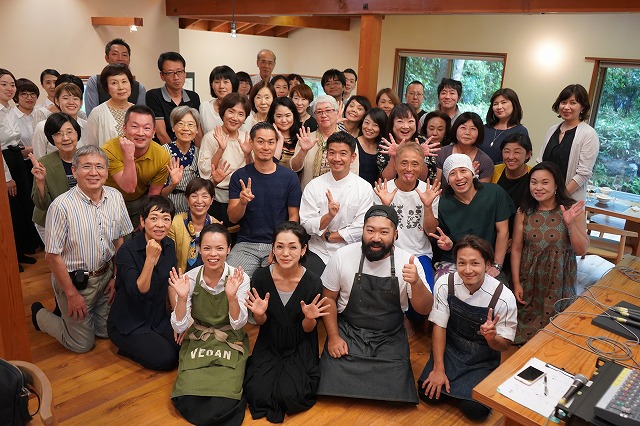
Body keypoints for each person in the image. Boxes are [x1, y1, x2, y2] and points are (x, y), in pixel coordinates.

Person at [317, 205, 433, 403]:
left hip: (389, 336)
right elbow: (328, 298)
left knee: (397, 390)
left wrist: (417, 283)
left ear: (395, 234)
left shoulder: (409, 262)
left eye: (384, 232)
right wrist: (334, 337)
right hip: (349, 332)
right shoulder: (343, 256)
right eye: (370, 230)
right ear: (363, 230)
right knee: (327, 382)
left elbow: (425, 309)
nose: (376, 238)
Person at [31, 145, 133, 352]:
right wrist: (71, 294)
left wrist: (116, 277)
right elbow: (52, 257)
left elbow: (120, 240)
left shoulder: (115, 197)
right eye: (86, 166)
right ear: (74, 171)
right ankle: (39, 315)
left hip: (105, 277)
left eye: (99, 167)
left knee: (106, 332)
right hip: (75, 282)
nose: (94, 172)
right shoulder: (61, 206)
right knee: (81, 345)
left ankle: (82, 317)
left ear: (106, 171)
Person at [418, 235, 517, 422]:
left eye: (475, 263)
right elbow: (439, 327)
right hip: (451, 351)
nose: (468, 270)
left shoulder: (503, 297)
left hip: (482, 360)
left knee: (474, 411)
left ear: (487, 265)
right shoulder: (445, 283)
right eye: (461, 263)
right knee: (427, 394)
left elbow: (504, 346)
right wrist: (438, 368)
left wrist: (492, 338)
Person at [244, 222, 327, 423]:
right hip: (270, 341)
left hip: (300, 343)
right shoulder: (261, 277)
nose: (285, 253)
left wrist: (309, 318)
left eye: (292, 247)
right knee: (257, 392)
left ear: (303, 249)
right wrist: (259, 314)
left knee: (291, 394)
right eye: (279, 246)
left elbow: (308, 330)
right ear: (273, 248)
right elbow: (262, 321)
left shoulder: (313, 282)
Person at [168, 224, 250, 425]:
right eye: (207, 248)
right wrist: (181, 297)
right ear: (199, 248)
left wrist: (232, 297)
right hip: (199, 338)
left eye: (220, 248)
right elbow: (179, 327)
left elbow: (238, 324)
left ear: (229, 249)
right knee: (187, 392)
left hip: (230, 337)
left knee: (227, 394)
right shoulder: (190, 278)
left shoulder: (240, 278)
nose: (213, 254)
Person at [511, 162, 589, 344]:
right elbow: (516, 248)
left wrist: (570, 225)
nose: (538, 188)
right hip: (530, 277)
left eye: (545, 182)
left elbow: (582, 249)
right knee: (525, 333)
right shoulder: (524, 211)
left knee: (558, 333)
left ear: (556, 185)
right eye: (534, 182)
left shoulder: (572, 209)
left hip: (559, 277)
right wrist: (516, 282)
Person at [108, 196, 179, 370]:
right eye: (153, 218)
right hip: (129, 322)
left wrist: (179, 318)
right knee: (167, 360)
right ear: (142, 220)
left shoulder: (169, 245)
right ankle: (126, 347)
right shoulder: (127, 251)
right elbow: (139, 292)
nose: (160, 225)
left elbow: (172, 282)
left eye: (166, 219)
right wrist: (149, 260)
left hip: (157, 316)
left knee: (184, 346)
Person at [227, 122, 302, 277]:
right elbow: (232, 218)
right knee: (231, 280)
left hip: (278, 243)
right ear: (251, 143)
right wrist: (242, 202)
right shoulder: (239, 176)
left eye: (271, 142)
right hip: (246, 244)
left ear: (276, 145)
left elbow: (294, 217)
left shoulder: (289, 177)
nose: (265, 147)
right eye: (260, 142)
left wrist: (280, 246)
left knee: (277, 282)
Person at [300, 131, 374, 276]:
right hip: (318, 249)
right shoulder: (314, 185)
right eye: (332, 153)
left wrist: (330, 236)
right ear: (326, 155)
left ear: (353, 157)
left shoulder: (364, 188)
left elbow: (362, 227)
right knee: (312, 284)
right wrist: (328, 216)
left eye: (343, 154)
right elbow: (306, 224)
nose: (336, 158)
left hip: (351, 249)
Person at [433, 154, 513, 283]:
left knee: (501, 294)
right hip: (454, 261)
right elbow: (446, 240)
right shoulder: (443, 203)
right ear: (447, 180)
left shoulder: (494, 193)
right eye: (452, 173)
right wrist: (447, 244)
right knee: (442, 289)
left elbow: (502, 231)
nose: (459, 177)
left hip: (487, 261)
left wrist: (497, 265)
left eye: (463, 171)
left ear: (472, 173)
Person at [374, 141, 440, 291]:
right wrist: (385, 205)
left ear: (422, 167)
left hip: (419, 254)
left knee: (425, 297)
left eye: (415, 164)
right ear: (396, 165)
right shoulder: (383, 190)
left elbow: (430, 232)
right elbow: (377, 230)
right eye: (404, 163)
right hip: (388, 252)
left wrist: (428, 206)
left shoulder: (428, 191)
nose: (409, 169)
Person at [102, 105, 170, 227]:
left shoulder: (162, 155)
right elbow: (129, 187)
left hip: (138, 202)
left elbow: (153, 194)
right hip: (108, 203)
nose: (140, 133)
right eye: (134, 126)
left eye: (147, 128)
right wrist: (128, 155)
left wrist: (145, 217)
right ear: (124, 129)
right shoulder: (109, 149)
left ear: (153, 132)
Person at [1, 68, 38, 269]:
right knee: (10, 211)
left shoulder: (7, 110)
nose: (9, 88)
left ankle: (22, 250)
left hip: (16, 158)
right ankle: (12, 257)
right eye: (4, 84)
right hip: (5, 162)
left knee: (23, 206)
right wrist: (6, 177)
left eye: (12, 84)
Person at [197, 93, 252, 228]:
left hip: (240, 198)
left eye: (240, 114)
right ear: (223, 112)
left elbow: (252, 171)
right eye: (231, 112)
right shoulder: (211, 137)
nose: (235, 118)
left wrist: (248, 154)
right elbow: (205, 171)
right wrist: (221, 149)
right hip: (216, 197)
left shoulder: (246, 138)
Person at [537, 83, 599, 202]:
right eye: (563, 102)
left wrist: (559, 196)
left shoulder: (588, 134)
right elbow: (541, 162)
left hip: (569, 200)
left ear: (583, 108)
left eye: (573, 103)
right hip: (543, 198)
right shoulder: (552, 130)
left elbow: (583, 174)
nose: (566, 107)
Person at [30, 113, 81, 240]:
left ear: (77, 134)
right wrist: (40, 181)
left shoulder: (88, 158)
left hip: (80, 218)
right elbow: (41, 205)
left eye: (69, 132)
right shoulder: (44, 163)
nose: (65, 138)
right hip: (50, 220)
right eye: (58, 134)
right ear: (51, 138)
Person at [291, 95, 357, 189]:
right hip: (311, 193)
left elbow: (353, 172)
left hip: (341, 194)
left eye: (328, 110)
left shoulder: (347, 139)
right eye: (319, 112)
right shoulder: (307, 137)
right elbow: (295, 168)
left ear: (337, 112)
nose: (324, 115)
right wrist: (303, 151)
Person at [146, 52, 201, 144]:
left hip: (190, 152)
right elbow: (161, 134)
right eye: (170, 73)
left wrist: (199, 154)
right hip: (165, 153)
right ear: (162, 76)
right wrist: (177, 154)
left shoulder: (193, 97)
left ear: (184, 73)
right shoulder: (153, 96)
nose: (176, 77)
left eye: (179, 72)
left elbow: (197, 131)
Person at [168, 177, 221, 273]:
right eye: (194, 196)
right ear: (187, 199)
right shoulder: (175, 223)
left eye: (205, 196)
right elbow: (169, 257)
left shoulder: (217, 226)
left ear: (212, 200)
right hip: (180, 277)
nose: (199, 201)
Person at [84, 38, 146, 116]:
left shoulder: (139, 87)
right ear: (106, 58)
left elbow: (141, 116)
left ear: (129, 59)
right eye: (115, 54)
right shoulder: (94, 81)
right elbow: (91, 114)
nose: (120, 58)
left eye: (124, 55)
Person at [379, 103, 437, 184]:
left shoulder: (423, 143)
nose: (405, 126)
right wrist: (394, 157)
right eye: (400, 121)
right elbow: (387, 179)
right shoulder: (386, 144)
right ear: (392, 124)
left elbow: (422, 179)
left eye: (410, 121)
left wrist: (421, 156)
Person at [160, 106, 203, 213]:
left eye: (191, 125)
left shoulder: (199, 153)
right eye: (180, 124)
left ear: (197, 129)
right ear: (173, 127)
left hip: (192, 207)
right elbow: (158, 193)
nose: (185, 128)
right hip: (167, 205)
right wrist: (173, 184)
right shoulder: (163, 151)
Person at [436, 112, 494, 187]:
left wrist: (472, 178)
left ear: (479, 133)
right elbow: (436, 186)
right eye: (463, 128)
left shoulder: (485, 161)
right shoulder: (441, 153)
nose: (467, 133)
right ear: (456, 129)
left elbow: (482, 194)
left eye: (473, 129)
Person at [85, 64, 135, 147]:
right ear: (107, 88)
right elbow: (91, 147)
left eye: (124, 82)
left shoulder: (138, 111)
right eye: (114, 83)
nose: (121, 87)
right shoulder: (97, 114)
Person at [32, 83, 86, 160]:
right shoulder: (42, 126)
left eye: (75, 98)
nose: (71, 102)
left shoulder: (87, 126)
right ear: (57, 101)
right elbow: (40, 159)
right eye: (65, 98)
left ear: (81, 103)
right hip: (53, 171)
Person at [491, 132, 533, 229]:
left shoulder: (533, 175)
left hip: (523, 229)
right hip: (496, 228)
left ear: (528, 154)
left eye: (517, 152)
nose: (510, 157)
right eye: (506, 151)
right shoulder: (494, 171)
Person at [479, 88, 529, 164]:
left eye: (503, 102)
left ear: (514, 104)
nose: (499, 107)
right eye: (495, 104)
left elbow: (521, 159)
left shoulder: (520, 131)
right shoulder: (484, 129)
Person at [200, 65, 241, 135]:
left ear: (233, 84)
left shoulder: (241, 108)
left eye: (226, 82)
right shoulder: (205, 107)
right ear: (212, 85)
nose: (221, 86)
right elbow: (200, 135)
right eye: (217, 82)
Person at [267, 96, 301, 169]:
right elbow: (270, 164)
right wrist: (280, 140)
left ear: (294, 116)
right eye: (279, 116)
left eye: (287, 116)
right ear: (273, 117)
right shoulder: (267, 137)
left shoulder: (301, 137)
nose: (284, 120)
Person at [357, 107, 387, 186]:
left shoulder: (383, 148)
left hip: (374, 193)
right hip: (353, 191)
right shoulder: (352, 144)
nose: (369, 128)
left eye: (375, 125)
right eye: (366, 122)